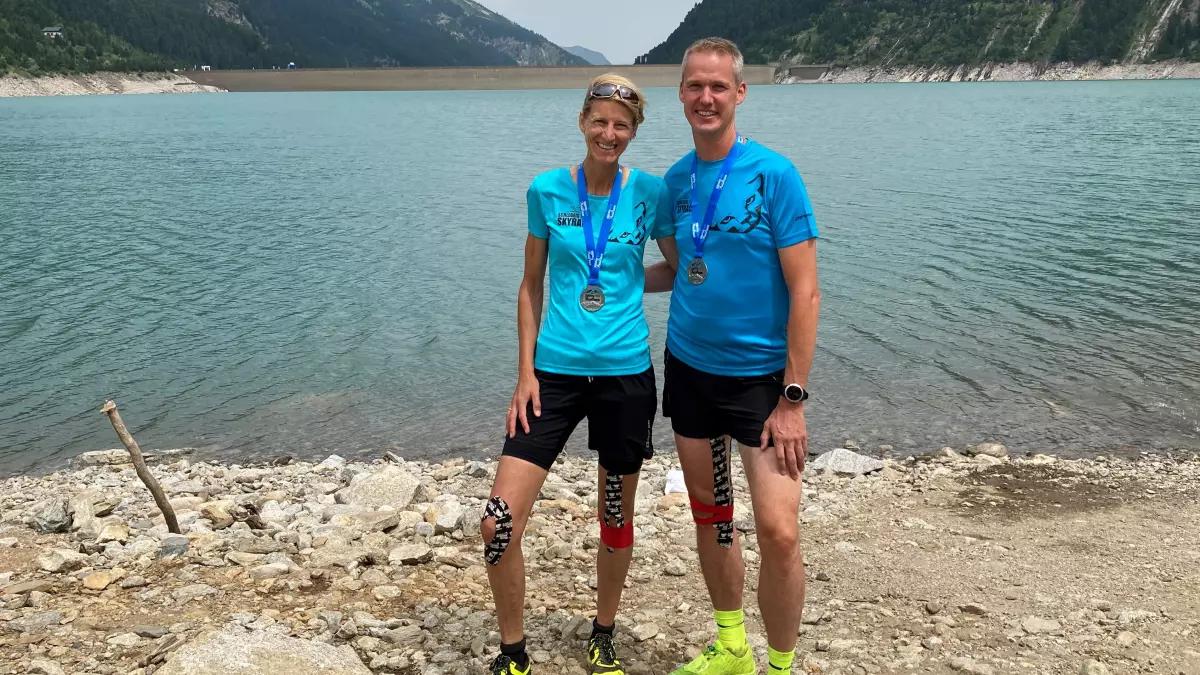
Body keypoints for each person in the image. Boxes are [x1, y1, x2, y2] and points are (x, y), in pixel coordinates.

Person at [484, 73, 679, 675]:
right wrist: (524, 373)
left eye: (621, 125)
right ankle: (513, 653)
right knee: (497, 520)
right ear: (582, 122)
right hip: (553, 377)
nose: (609, 133)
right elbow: (530, 286)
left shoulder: (650, 193)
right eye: (599, 121)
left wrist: (621, 283)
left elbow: (677, 268)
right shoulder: (546, 190)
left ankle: (603, 631)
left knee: (615, 516)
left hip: (625, 378)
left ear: (634, 132)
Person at [645, 37, 821, 674]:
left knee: (779, 532)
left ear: (740, 93)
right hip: (690, 368)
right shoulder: (674, 182)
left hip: (763, 382)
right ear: (682, 95)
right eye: (695, 86)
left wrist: (793, 398)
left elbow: (805, 290)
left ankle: (779, 666)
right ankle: (730, 649)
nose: (706, 97)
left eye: (718, 86)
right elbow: (677, 268)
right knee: (712, 515)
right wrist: (611, 276)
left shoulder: (774, 174)